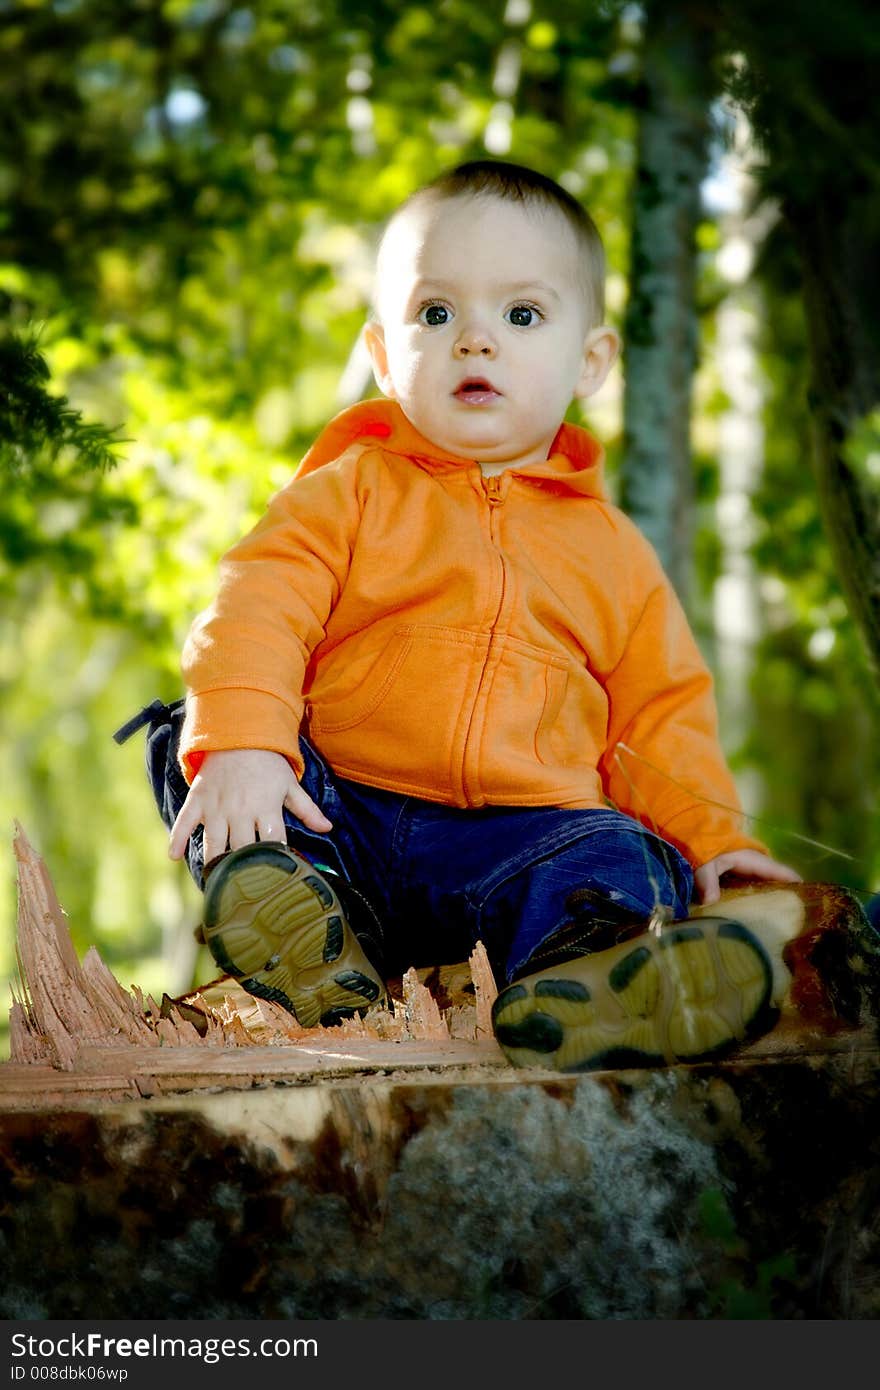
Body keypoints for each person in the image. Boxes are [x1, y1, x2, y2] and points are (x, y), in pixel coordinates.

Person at [159, 159, 801, 1072]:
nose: (475, 342)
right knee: (204, 746)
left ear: (591, 361)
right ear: (384, 355)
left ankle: (585, 981)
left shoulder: (611, 550)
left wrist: (718, 846)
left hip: (520, 839)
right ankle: (310, 935)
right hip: (348, 819)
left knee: (612, 850)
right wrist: (247, 741)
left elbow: (662, 717)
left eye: (522, 315)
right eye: (436, 314)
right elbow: (256, 603)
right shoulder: (348, 492)